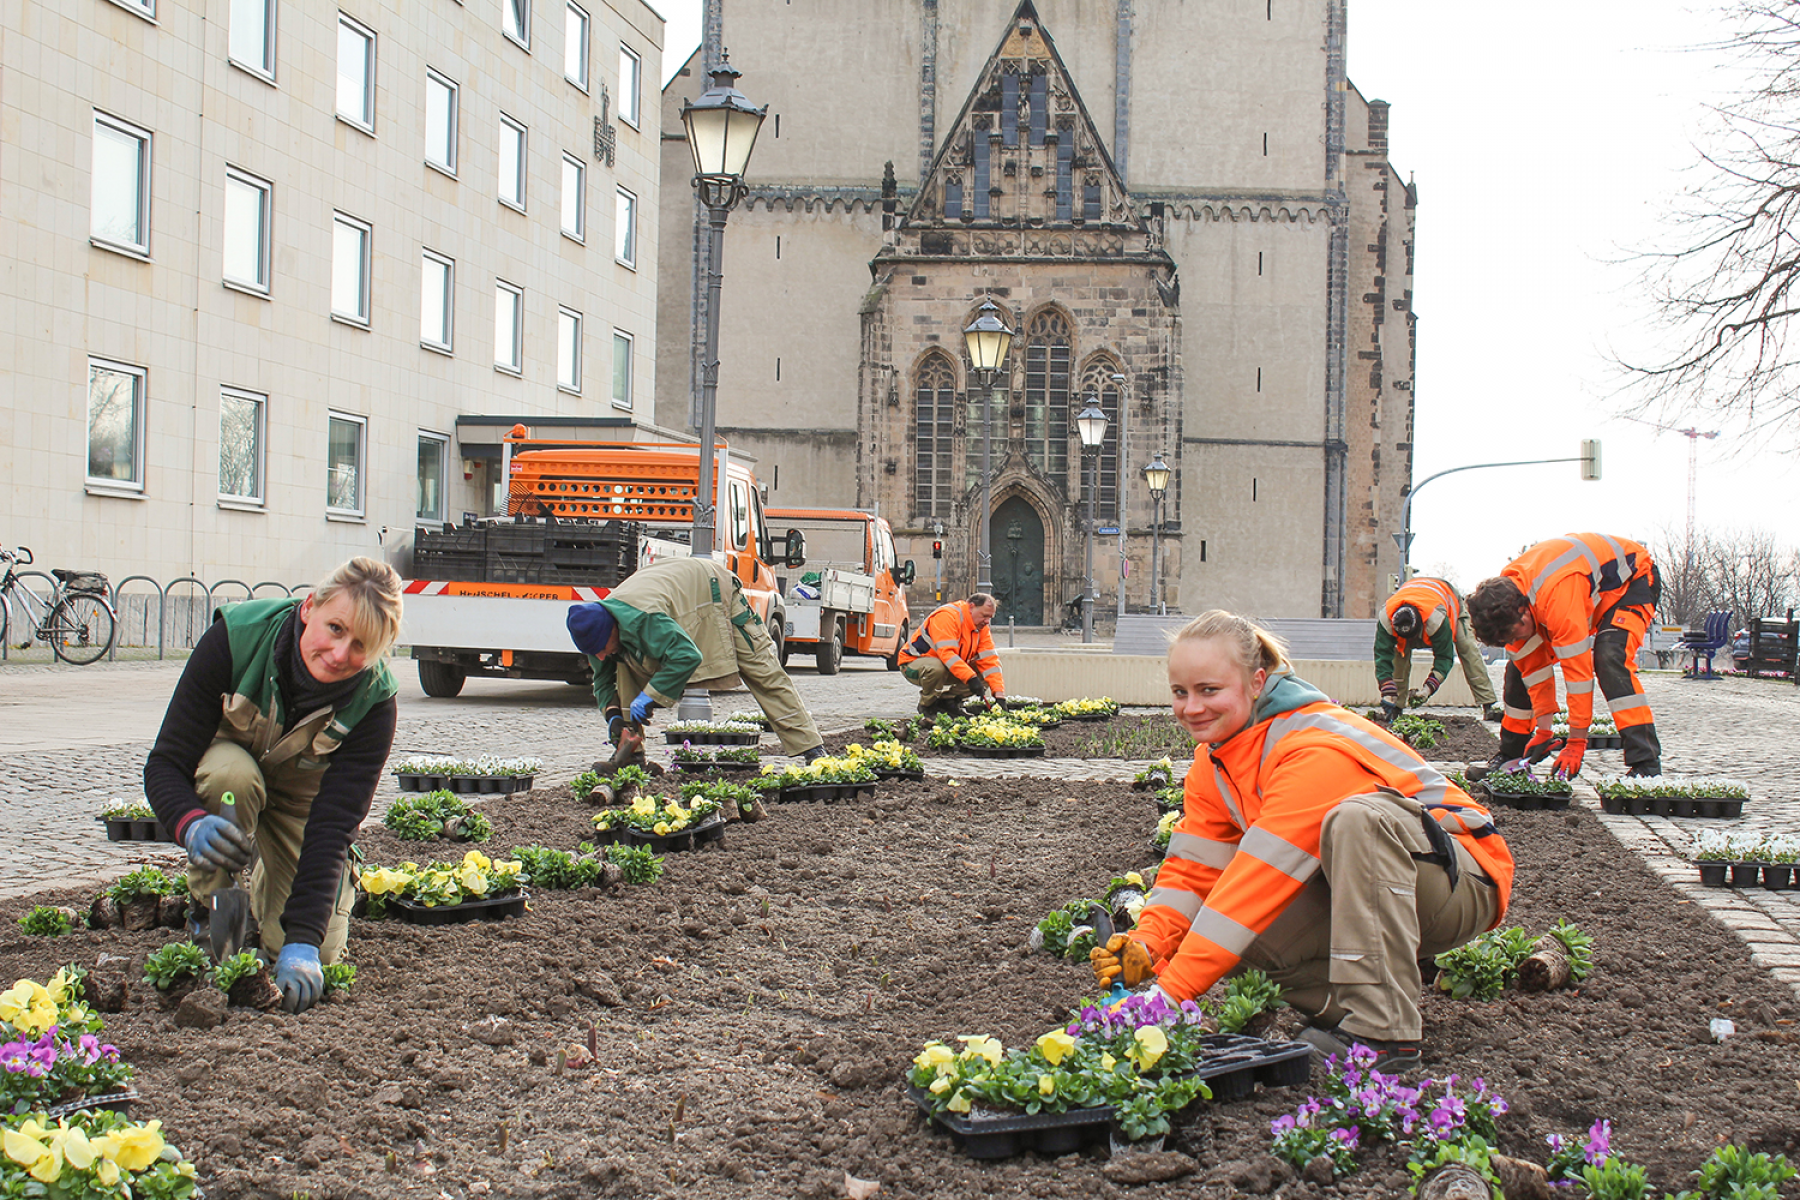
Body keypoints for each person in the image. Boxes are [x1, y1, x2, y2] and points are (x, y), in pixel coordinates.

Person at [1089, 611, 1515, 1073]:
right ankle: (1361, 1004)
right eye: (1180, 692)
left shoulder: (1310, 743)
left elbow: (1258, 881)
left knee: (1357, 822)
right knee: (1239, 943)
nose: (1192, 708)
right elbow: (1192, 870)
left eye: (1210, 690)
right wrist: (1150, 945)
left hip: (1462, 879)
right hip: (1383, 886)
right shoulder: (1213, 764)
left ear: (1256, 681)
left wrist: (1168, 995)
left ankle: (1382, 1032)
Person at [144, 556, 403, 1015]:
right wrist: (190, 824)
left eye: (361, 645)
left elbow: (333, 827)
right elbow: (166, 762)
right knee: (232, 780)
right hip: (232, 777)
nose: (341, 654)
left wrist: (303, 940)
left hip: (304, 804)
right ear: (309, 608)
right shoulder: (235, 639)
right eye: (336, 628)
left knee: (315, 955)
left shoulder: (375, 702)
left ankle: (269, 884)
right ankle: (215, 915)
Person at [566, 556, 824, 765]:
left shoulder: (644, 620)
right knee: (624, 667)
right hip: (674, 596)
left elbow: (686, 656)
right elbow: (602, 681)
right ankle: (631, 754)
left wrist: (650, 696)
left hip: (713, 589)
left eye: (601, 649)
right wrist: (613, 716)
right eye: (594, 653)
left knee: (761, 667)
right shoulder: (594, 633)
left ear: (612, 630)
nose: (600, 656)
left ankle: (811, 747)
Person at [1466, 532, 1662, 779]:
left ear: (1523, 613)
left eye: (1514, 635)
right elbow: (1534, 672)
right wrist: (1544, 731)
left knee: (1610, 656)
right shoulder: (1505, 603)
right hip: (1589, 593)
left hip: (1633, 583)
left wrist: (1576, 743)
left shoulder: (1558, 598)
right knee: (1517, 671)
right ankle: (1511, 757)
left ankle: (1647, 764)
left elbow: (1578, 676)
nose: (1514, 642)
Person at [1374, 576, 1501, 723]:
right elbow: (1382, 656)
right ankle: (1395, 707)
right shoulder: (1387, 619)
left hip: (1448, 599)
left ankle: (1489, 703)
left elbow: (1444, 658)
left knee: (1467, 648)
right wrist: (1386, 689)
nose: (1411, 643)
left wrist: (1428, 689)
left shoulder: (1436, 620)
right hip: (1416, 595)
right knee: (1398, 654)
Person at [896, 593, 1007, 717]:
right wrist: (971, 678)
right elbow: (947, 654)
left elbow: (990, 661)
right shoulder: (947, 616)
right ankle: (927, 706)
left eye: (990, 617)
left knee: (984, 674)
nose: (987, 622)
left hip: (946, 666)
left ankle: (949, 703)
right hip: (912, 663)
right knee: (937, 668)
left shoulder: (981, 628)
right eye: (984, 616)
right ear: (971, 606)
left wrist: (999, 695)